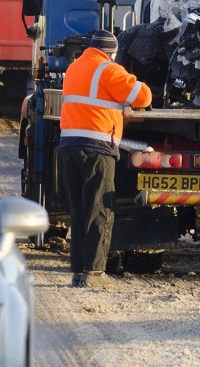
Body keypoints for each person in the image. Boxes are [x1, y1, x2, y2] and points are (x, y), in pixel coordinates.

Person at [59, 29, 152, 288]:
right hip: (97, 148)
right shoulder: (109, 70)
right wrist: (132, 78)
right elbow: (143, 96)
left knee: (79, 212)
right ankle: (95, 272)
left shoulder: (74, 68)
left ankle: (78, 272)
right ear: (112, 53)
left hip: (69, 146)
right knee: (99, 209)